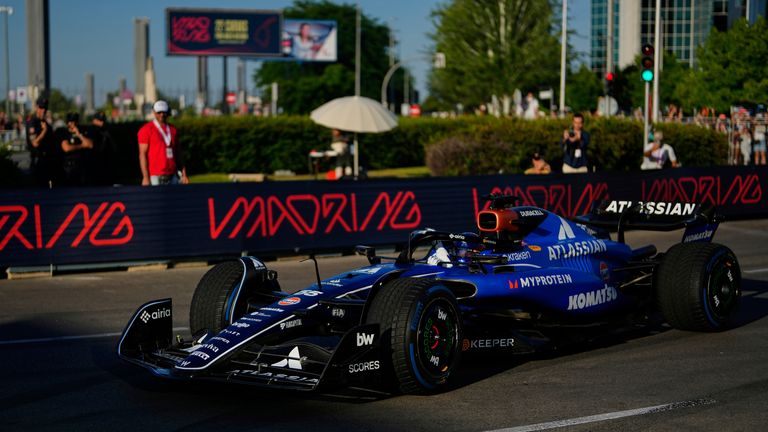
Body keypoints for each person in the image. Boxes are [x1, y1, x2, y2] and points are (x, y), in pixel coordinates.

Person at [138, 100, 188, 186]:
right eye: (159, 112)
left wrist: (184, 174)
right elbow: (142, 154)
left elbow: (178, 154)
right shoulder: (146, 130)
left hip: (172, 175)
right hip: (155, 176)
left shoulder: (173, 130)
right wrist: (145, 177)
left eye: (164, 112)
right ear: (154, 112)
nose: (161, 114)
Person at [26, 97, 58, 187]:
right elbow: (35, 143)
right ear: (37, 107)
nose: (43, 110)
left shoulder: (45, 123)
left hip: (47, 161)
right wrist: (44, 131)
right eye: (41, 107)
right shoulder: (33, 122)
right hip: (37, 161)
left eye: (45, 108)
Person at [59, 112, 94, 186]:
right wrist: (81, 146)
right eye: (71, 122)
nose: (73, 124)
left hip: (81, 165)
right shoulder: (64, 132)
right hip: (68, 166)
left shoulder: (83, 131)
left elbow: (90, 145)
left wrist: (79, 134)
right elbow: (66, 148)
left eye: (74, 121)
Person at [91, 111, 117, 185]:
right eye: (99, 120)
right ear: (94, 121)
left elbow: (114, 148)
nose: (102, 123)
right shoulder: (91, 132)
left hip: (106, 166)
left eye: (103, 120)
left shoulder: (106, 132)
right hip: (94, 167)